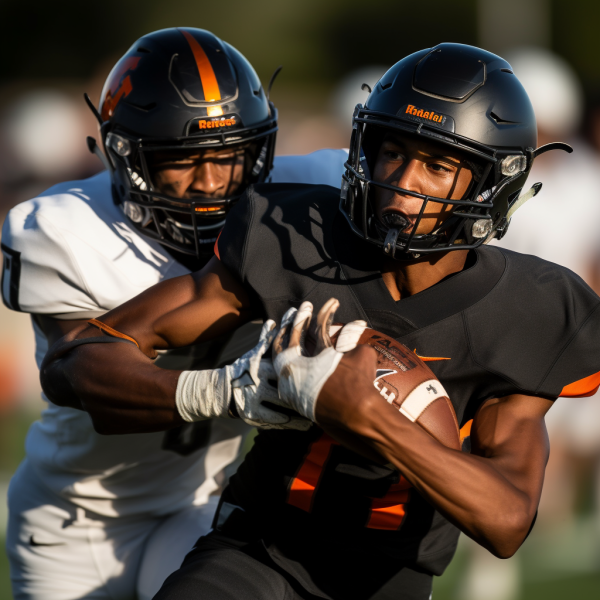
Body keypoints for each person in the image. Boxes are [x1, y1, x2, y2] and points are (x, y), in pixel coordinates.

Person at [40, 43, 600, 600]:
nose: (403, 182)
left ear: (492, 182)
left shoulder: (533, 307)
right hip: (257, 548)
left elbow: (506, 520)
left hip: (387, 581)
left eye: (437, 165)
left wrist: (366, 416)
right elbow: (76, 361)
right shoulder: (294, 237)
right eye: (392, 151)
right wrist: (221, 390)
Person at [1, 27, 347, 600]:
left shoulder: (304, 192)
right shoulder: (62, 229)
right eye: (182, 159)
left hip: (200, 502)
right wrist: (225, 391)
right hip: (76, 520)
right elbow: (82, 376)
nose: (212, 183)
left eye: (230, 156)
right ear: (128, 156)